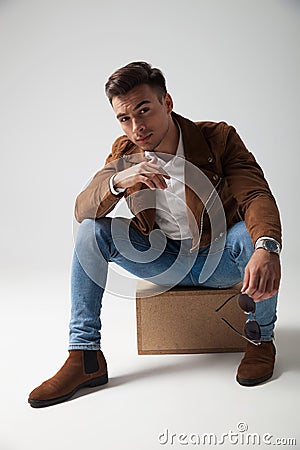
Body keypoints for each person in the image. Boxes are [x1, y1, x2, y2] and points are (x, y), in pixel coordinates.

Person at [28, 61, 282, 408]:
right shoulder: (125, 153)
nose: (136, 127)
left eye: (144, 111)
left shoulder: (218, 139)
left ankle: (260, 340)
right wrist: (119, 182)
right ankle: (85, 357)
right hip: (163, 261)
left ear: (167, 103)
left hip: (219, 258)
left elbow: (255, 195)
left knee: (251, 237)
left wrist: (267, 247)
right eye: (124, 118)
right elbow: (82, 208)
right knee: (90, 231)